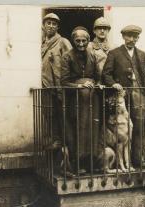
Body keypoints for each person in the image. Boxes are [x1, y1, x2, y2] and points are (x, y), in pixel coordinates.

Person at [102, 25, 145, 169]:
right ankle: (118, 162)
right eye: (129, 36)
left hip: (139, 93)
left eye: (135, 36)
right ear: (123, 37)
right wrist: (113, 84)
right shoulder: (114, 53)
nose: (132, 39)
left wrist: (144, 81)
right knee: (121, 129)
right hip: (121, 95)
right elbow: (105, 74)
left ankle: (138, 159)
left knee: (140, 126)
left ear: (138, 38)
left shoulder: (141, 54)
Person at [60, 26, 101, 173]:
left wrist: (95, 85)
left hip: (92, 99)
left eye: (84, 40)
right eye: (78, 41)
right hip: (75, 100)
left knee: (93, 130)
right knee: (78, 130)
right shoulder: (67, 56)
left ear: (88, 40)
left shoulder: (93, 56)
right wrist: (80, 85)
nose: (81, 44)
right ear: (73, 41)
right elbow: (63, 82)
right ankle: (78, 165)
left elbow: (98, 77)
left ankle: (92, 163)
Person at [41, 13, 72, 149]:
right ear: (43, 25)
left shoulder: (63, 41)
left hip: (60, 85)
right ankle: (53, 141)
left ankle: (64, 144)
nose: (51, 26)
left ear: (58, 27)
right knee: (49, 114)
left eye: (54, 24)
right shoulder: (42, 43)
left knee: (63, 116)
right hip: (45, 84)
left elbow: (72, 60)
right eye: (48, 23)